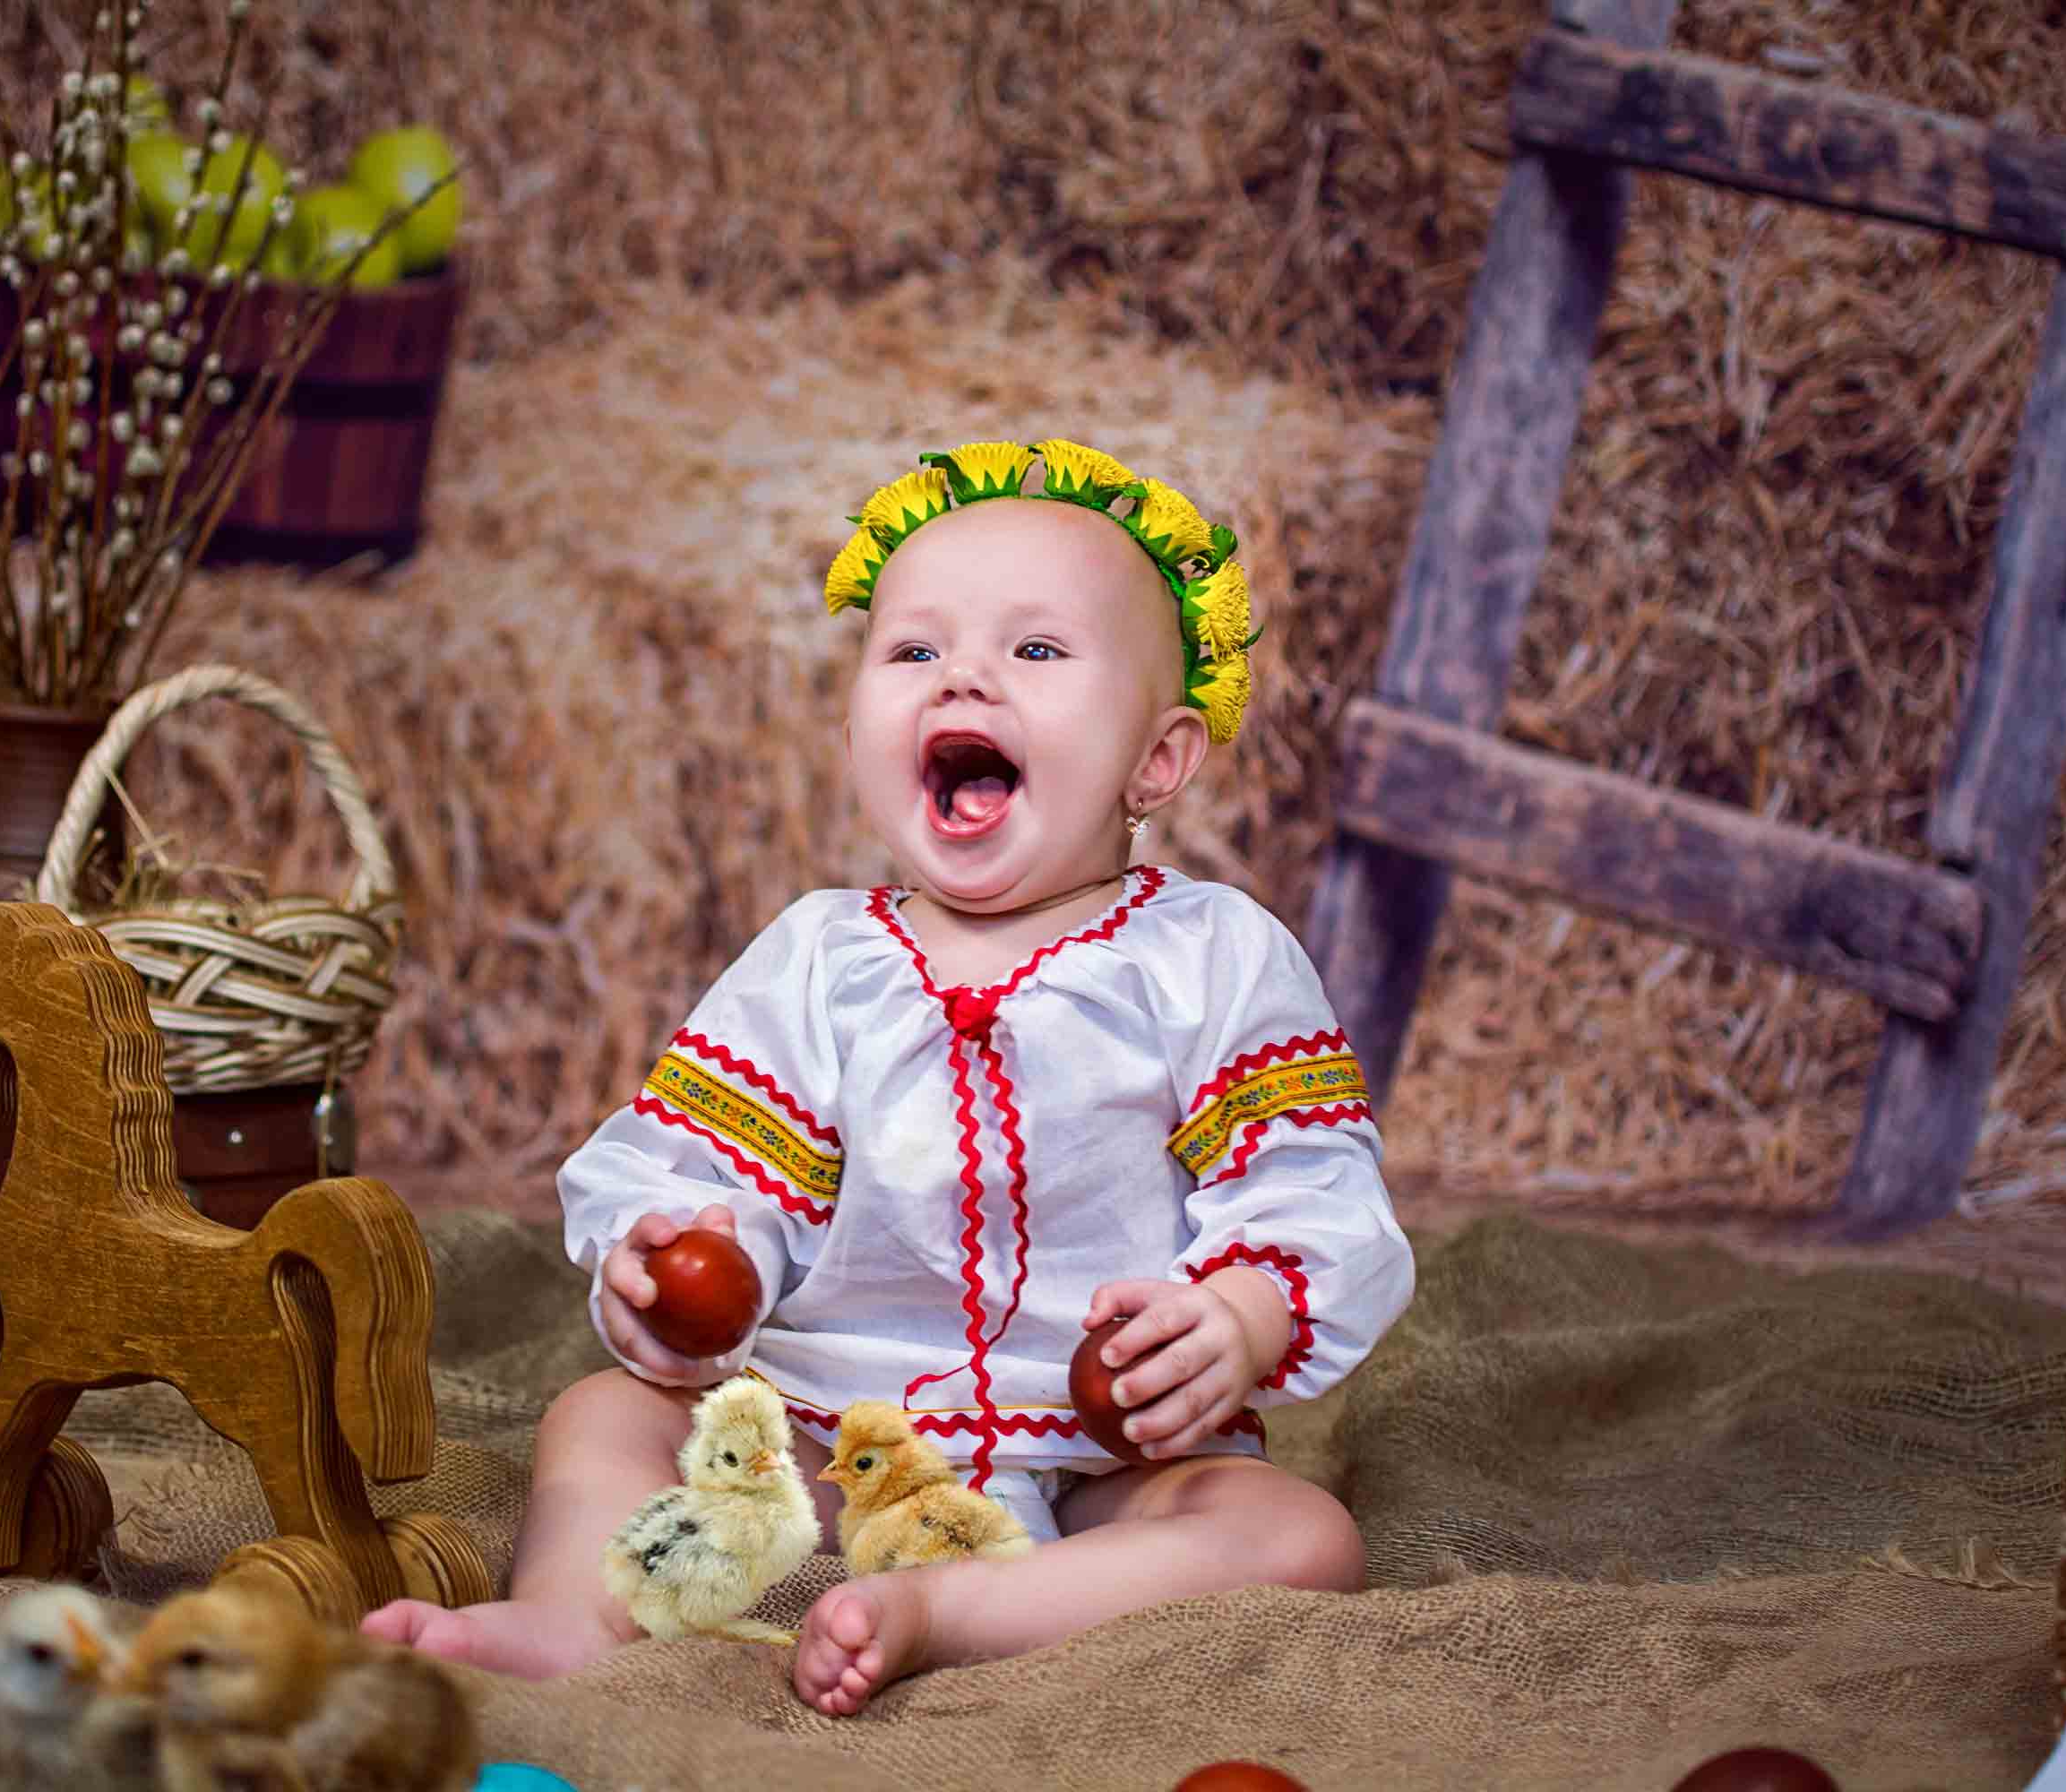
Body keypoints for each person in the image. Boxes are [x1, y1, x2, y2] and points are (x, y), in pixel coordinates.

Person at [364, 438, 1414, 1714]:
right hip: (831, 1440)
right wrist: (683, 1272)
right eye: (913, 650)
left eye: (1037, 649)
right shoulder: (820, 960)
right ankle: (571, 1618)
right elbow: (722, 1182)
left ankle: (951, 1612)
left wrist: (1241, 1317)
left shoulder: (1211, 956)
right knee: (604, 1415)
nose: (961, 674)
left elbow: (1311, 1186)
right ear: (854, 730)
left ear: (1159, 760)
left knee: (1298, 1535)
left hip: (1110, 1463)